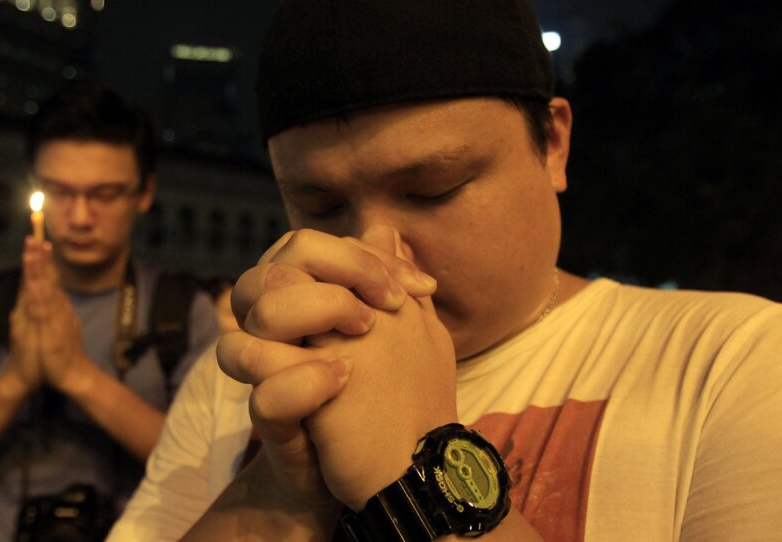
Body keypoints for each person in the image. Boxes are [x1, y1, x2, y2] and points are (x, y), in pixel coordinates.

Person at [109, 1, 782, 541]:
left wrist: (413, 470)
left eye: (434, 190)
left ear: (552, 143)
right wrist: (275, 497)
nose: (378, 253)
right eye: (320, 206)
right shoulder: (239, 384)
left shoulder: (731, 362)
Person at [0, 83, 218, 541]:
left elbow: (210, 472)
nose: (81, 216)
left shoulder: (183, 311)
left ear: (144, 192)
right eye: (59, 192)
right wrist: (14, 381)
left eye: (105, 194)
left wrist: (76, 374)